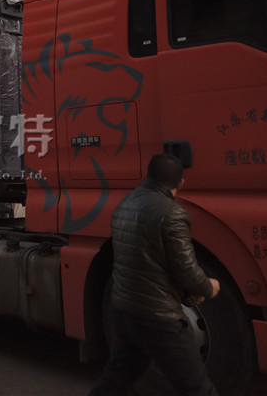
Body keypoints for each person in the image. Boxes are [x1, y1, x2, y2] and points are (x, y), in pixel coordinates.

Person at [89, 153, 220, 396]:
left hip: (125, 310)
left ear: (147, 174)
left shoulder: (126, 203)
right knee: (198, 388)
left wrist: (185, 292)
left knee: (116, 380)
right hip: (157, 317)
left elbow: (144, 262)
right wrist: (209, 287)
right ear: (181, 183)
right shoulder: (173, 214)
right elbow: (187, 271)